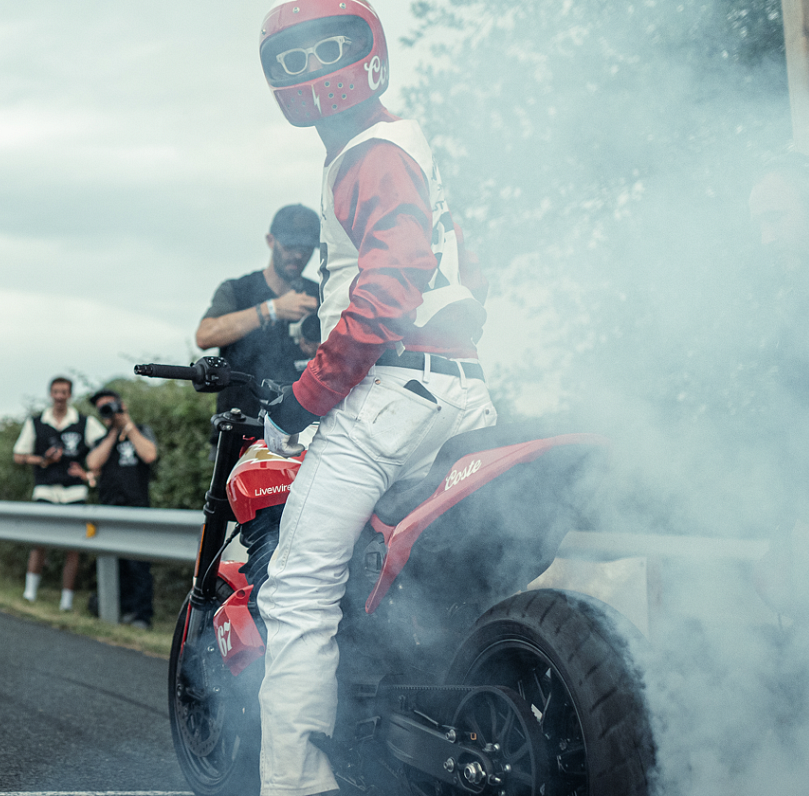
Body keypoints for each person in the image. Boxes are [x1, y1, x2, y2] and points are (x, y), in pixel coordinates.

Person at [251, 3, 496, 795]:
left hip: (393, 395)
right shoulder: (413, 147)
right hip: (463, 390)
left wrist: (304, 398)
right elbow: (469, 279)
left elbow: (389, 289)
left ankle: (298, 788)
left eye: (327, 48)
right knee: (416, 587)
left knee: (297, 591)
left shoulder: (368, 155)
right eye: (296, 55)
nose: (314, 66)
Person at [194, 205, 324, 417]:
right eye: (290, 245)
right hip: (237, 426)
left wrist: (320, 349)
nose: (299, 254)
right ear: (271, 240)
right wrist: (272, 309)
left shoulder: (321, 296)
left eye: (306, 247)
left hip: (298, 428)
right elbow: (205, 336)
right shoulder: (238, 289)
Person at [10, 376, 105, 610]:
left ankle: (66, 601)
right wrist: (43, 459)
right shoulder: (37, 422)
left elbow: (104, 449)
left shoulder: (84, 422)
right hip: (45, 488)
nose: (60, 396)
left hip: (74, 491)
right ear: (50, 393)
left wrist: (89, 474)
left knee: (72, 547)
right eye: (56, 391)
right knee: (39, 541)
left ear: (70, 395)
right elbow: (18, 455)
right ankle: (30, 592)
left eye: (64, 392)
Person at [84, 388, 159, 629]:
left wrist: (127, 425)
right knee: (114, 564)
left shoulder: (142, 431)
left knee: (139, 564)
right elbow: (93, 463)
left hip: (137, 508)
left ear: (121, 404)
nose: (108, 411)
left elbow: (149, 455)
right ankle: (118, 609)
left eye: (111, 405)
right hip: (109, 508)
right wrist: (113, 433)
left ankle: (141, 616)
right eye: (103, 408)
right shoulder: (101, 439)